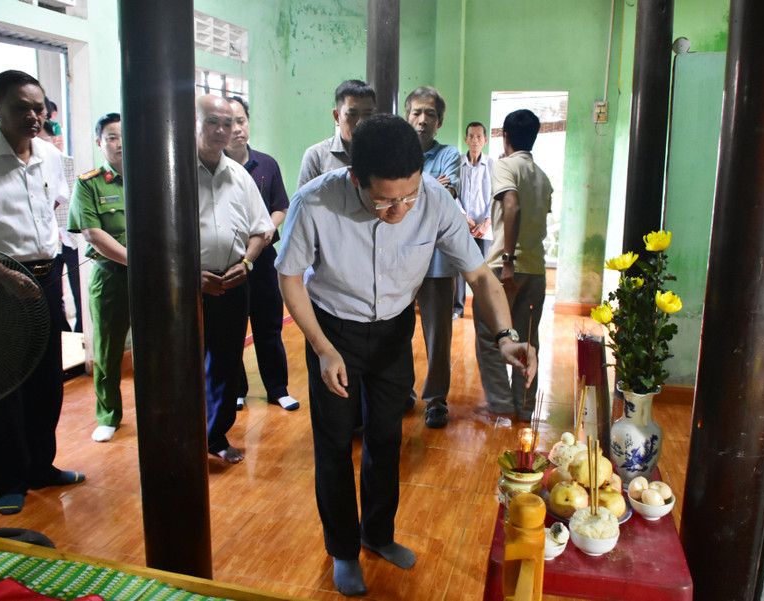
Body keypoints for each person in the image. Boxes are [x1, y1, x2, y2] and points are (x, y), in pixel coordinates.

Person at [276, 114, 537, 596]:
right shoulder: (315, 201)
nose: (399, 209)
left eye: (408, 197)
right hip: (334, 332)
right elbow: (290, 276)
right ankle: (342, 550)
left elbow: (479, 275)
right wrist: (322, 348)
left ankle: (376, 534)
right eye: (384, 200)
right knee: (334, 447)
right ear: (356, 178)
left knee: (386, 438)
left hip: (395, 331)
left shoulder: (434, 200)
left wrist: (505, 335)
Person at [0, 69, 85, 515]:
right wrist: (6, 273)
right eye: (21, 108)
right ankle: (9, 480)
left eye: (39, 107)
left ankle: (40, 466)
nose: (34, 116)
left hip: (45, 279)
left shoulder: (49, 155)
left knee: (47, 380)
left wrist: (43, 262)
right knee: (4, 388)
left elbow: (52, 208)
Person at [196, 94, 274, 464]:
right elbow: (154, 239)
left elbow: (262, 230)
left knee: (226, 364)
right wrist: (191, 277)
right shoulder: (174, 172)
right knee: (183, 365)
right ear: (193, 123)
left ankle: (215, 437)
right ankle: (183, 439)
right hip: (187, 288)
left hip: (232, 283)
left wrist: (248, 263)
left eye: (228, 123)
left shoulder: (240, 176)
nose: (223, 130)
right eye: (213, 122)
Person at [475, 109, 553, 421]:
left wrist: (508, 261)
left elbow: (512, 204)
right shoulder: (542, 176)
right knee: (526, 338)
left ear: (505, 137)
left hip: (503, 268)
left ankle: (500, 403)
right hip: (536, 269)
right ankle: (524, 405)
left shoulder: (504, 166)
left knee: (490, 334)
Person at [224, 95, 299, 412]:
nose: (237, 128)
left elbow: (282, 206)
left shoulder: (266, 164)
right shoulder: (214, 169)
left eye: (241, 120)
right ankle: (237, 389)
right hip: (226, 262)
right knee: (231, 328)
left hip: (264, 259)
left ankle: (277, 389)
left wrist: (268, 229)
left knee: (269, 325)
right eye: (229, 123)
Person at [68, 113, 129, 443]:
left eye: (124, 135)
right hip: (111, 277)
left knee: (158, 346)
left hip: (155, 280)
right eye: (111, 137)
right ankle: (108, 415)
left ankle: (159, 408)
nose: (119, 143)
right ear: (99, 143)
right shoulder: (89, 183)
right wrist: (138, 262)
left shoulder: (149, 176)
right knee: (107, 351)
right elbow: (92, 233)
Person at [404, 86, 461, 428]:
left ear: (439, 122)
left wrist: (411, 187)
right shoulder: (396, 153)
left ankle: (436, 399)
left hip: (438, 260)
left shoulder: (450, 154)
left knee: (437, 333)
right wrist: (428, 184)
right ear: (407, 116)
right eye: (416, 113)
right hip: (398, 257)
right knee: (396, 329)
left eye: (430, 114)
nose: (422, 120)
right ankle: (403, 392)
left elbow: (445, 194)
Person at [296, 79, 376, 189]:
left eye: (368, 114)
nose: (360, 122)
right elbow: (302, 204)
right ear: (337, 116)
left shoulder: (385, 155)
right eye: (352, 114)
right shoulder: (317, 157)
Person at [454, 122, 494, 318]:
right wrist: (463, 217)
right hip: (463, 226)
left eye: (479, 137)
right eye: (471, 136)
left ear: (485, 140)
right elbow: (452, 193)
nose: (475, 140)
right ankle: (458, 308)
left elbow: (496, 197)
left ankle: (481, 309)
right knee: (460, 267)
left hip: (485, 228)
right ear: (466, 140)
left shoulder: (492, 165)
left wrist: (487, 222)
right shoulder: (458, 164)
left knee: (482, 269)